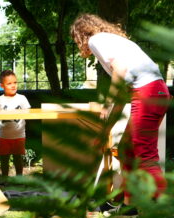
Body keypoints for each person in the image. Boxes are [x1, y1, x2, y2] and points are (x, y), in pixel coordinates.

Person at [71, 14, 171, 207]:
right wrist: (105, 132)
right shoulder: (116, 42)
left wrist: (106, 104)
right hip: (157, 92)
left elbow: (120, 70)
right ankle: (128, 205)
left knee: (145, 153)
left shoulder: (95, 40)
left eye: (76, 39)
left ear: (80, 34)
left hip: (148, 93)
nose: (78, 44)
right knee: (126, 150)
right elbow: (122, 95)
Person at [0, 70, 31, 177]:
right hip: (3, 135)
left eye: (15, 82)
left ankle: (19, 179)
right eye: (9, 83)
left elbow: (28, 114)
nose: (13, 85)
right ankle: (5, 179)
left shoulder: (22, 98)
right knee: (4, 159)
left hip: (19, 135)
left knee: (18, 158)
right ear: (2, 85)